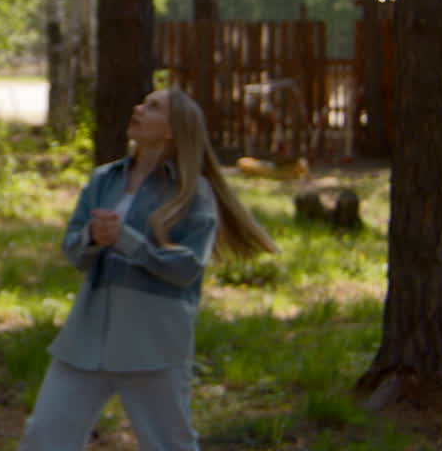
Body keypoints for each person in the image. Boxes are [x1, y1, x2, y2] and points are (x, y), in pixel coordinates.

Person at [18, 88, 278, 451]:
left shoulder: (193, 192)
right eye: (142, 102)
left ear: (172, 129)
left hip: (154, 342)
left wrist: (128, 241)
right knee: (45, 436)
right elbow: (73, 250)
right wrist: (91, 236)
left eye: (153, 107)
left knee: (169, 443)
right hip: (88, 336)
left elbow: (188, 267)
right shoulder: (104, 179)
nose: (139, 109)